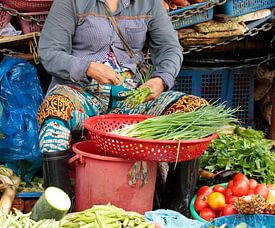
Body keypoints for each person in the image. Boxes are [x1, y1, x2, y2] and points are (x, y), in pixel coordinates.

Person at [38, 0, 208, 206]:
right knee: (55, 108)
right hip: (82, 93)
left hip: (132, 98)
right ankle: (58, 210)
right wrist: (87, 68)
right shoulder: (71, 2)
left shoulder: (149, 3)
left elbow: (170, 48)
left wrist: (161, 79)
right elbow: (50, 53)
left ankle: (174, 210)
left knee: (194, 112)